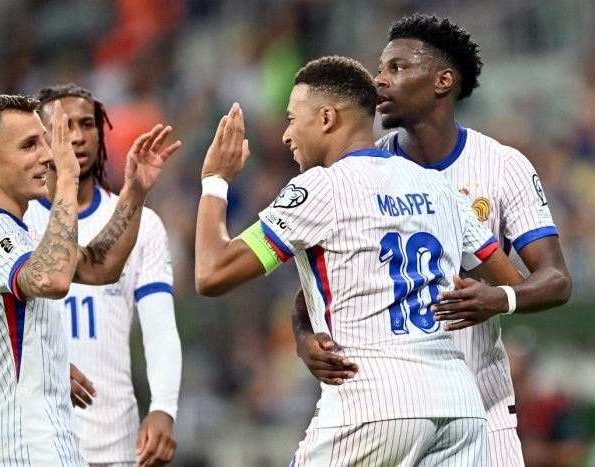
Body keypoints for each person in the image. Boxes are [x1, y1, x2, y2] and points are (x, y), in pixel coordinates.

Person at [195, 56, 525, 466]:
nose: (286, 135)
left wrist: (215, 180)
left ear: (327, 118)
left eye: (292, 119)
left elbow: (211, 273)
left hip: (371, 398)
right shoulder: (437, 186)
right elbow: (512, 282)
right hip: (459, 404)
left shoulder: (321, 188)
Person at [291, 13, 573, 467]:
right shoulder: (363, 169)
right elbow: (317, 285)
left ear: (443, 80)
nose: (380, 80)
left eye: (397, 68)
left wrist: (499, 298)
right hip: (388, 408)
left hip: (481, 406)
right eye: (380, 68)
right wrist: (305, 338)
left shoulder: (502, 166)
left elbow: (556, 280)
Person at [0, 94, 179, 466]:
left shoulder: (16, 232)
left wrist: (134, 191)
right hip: (18, 446)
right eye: (29, 145)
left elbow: (100, 266)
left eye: (45, 141)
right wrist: (67, 179)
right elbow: (53, 279)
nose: (49, 155)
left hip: (36, 439)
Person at [23, 83, 182, 467]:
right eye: (63, 127)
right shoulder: (19, 222)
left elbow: (159, 327)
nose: (77, 136)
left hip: (115, 443)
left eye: (87, 124)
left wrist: (163, 407)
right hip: (34, 440)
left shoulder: (143, 224)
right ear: (41, 140)